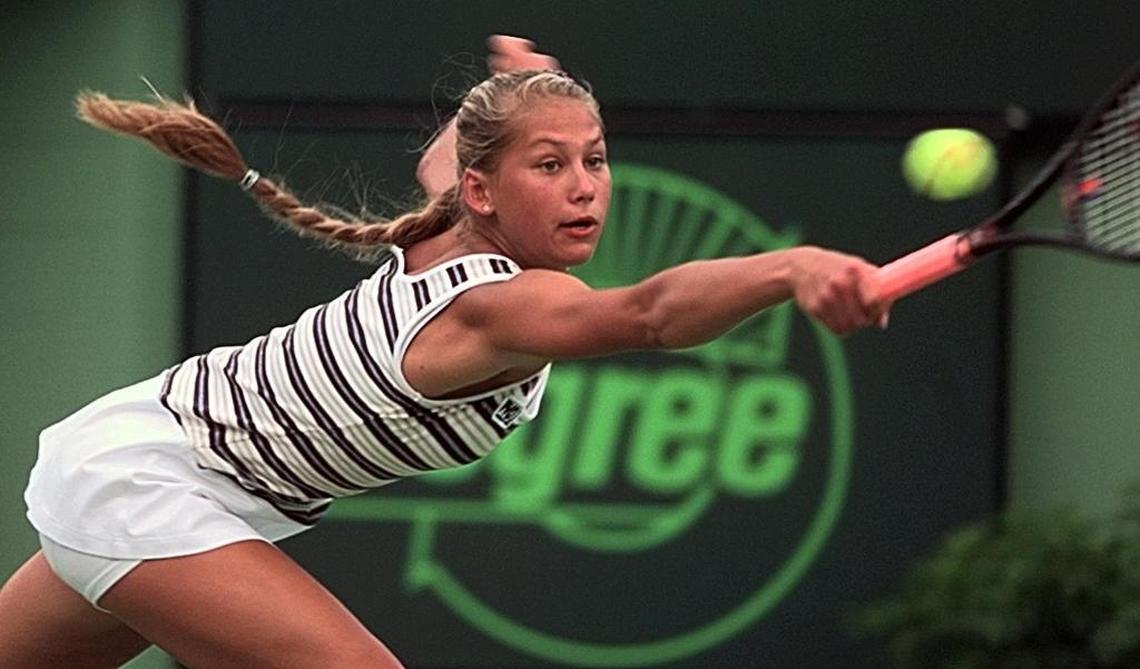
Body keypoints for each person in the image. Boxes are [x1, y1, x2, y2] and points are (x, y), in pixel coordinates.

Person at [0, 36, 888, 669]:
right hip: (150, 483)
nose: (584, 188)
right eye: (549, 166)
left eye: (596, 159)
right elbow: (654, 314)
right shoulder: (501, 306)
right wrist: (791, 265)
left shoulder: (448, 216)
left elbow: (445, 160)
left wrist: (521, 88)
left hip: (152, 453)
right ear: (482, 189)